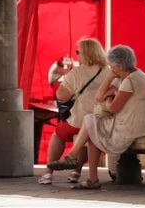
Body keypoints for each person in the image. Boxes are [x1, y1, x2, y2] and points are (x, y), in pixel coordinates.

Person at [47, 45, 145, 190]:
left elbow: (112, 107)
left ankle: (75, 159)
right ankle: (85, 171)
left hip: (131, 128)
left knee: (90, 122)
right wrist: (110, 80)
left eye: (112, 67)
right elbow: (99, 97)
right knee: (92, 126)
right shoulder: (135, 75)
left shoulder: (129, 81)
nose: (111, 69)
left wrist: (109, 98)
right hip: (141, 125)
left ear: (118, 66)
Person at [39, 39, 107, 185]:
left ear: (86, 53)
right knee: (84, 138)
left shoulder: (77, 72)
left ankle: (48, 174)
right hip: (101, 120)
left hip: (79, 120)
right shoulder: (108, 71)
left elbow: (61, 96)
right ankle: (76, 172)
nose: (77, 55)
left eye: (78, 52)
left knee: (58, 134)